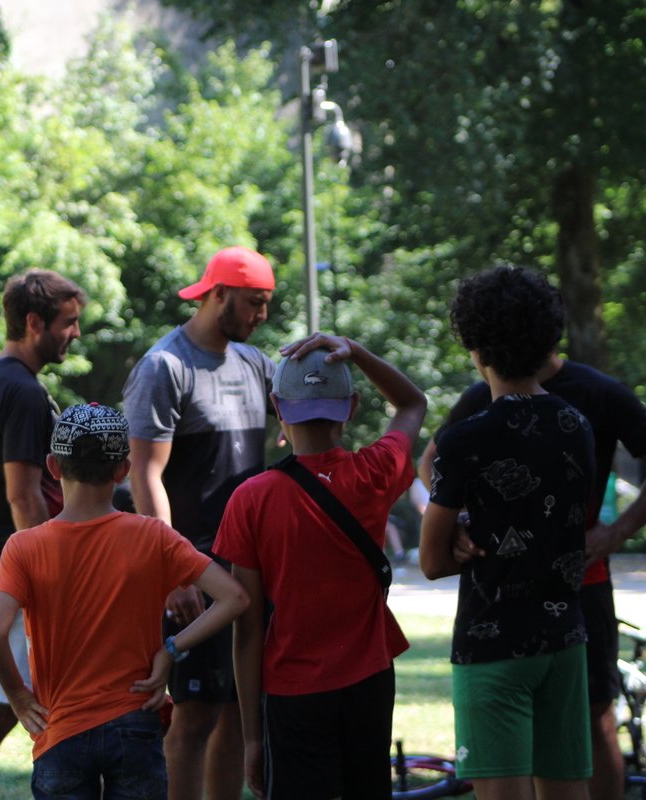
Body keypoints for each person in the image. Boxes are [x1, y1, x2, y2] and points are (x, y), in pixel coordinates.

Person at [0, 403, 249, 799]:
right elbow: (234, 597)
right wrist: (171, 649)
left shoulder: (24, 546)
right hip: (135, 724)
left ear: (53, 468)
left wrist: (20, 698)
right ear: (122, 471)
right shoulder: (154, 536)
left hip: (61, 732)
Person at [419, 346, 646, 800]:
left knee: (597, 713)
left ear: (478, 348)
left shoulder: (597, 394)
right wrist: (463, 519)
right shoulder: (568, 420)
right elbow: (430, 464)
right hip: (547, 615)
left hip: (557, 597)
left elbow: (430, 562)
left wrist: (616, 532)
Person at [214, 335, 426, 799]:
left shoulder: (251, 499)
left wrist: (252, 738)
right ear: (350, 408)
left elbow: (246, 628)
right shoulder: (375, 473)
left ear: (278, 407)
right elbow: (413, 402)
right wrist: (356, 351)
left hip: (294, 690)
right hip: (369, 680)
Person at [420, 266, 596, 799]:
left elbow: (432, 562)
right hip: (565, 637)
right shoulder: (577, 425)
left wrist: (462, 532)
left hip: (491, 645)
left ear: (476, 348)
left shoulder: (464, 440)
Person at [121, 245, 274, 800]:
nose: (261, 316)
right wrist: (175, 571)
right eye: (254, 303)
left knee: (238, 710)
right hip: (198, 572)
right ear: (217, 295)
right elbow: (145, 474)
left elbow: (305, 411)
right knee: (193, 718)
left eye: (267, 305)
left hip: (250, 570)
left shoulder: (256, 363)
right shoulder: (166, 366)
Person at [0, 269, 85, 794]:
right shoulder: (24, 393)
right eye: (67, 323)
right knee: (30, 704)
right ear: (34, 323)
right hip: (16, 570)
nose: (74, 334)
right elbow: (21, 494)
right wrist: (49, 574)